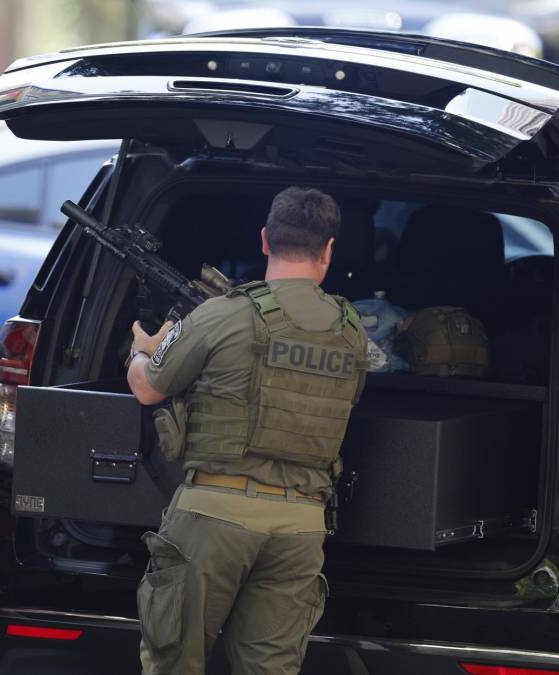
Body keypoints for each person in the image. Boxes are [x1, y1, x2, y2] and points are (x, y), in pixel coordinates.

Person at [126, 186, 368, 675]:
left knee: (174, 663)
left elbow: (150, 390)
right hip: (301, 527)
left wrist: (142, 351)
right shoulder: (352, 331)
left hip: (215, 515)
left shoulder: (221, 314)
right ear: (328, 250)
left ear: (264, 241)